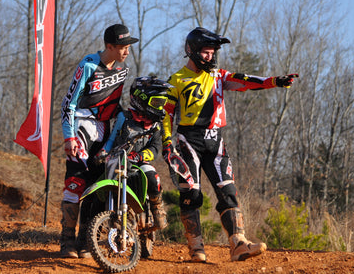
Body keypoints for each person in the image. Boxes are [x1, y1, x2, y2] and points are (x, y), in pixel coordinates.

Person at [162, 27, 298, 262]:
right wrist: (166, 142)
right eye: (206, 52)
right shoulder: (177, 80)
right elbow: (166, 114)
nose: (211, 57)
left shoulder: (219, 75)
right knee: (191, 194)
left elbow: (247, 81)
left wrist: (274, 81)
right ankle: (196, 249)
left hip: (216, 140)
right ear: (191, 51)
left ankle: (238, 244)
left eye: (213, 52)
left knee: (228, 192)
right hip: (188, 140)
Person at [60, 24, 138, 258]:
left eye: (128, 47)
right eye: (122, 47)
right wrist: (69, 136)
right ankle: (66, 241)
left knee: (97, 188)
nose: (126, 51)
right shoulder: (88, 65)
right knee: (75, 183)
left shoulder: (122, 72)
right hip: (81, 127)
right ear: (110, 46)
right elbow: (68, 103)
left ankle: (86, 241)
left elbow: (114, 107)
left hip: (104, 132)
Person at [99, 76, 172, 231]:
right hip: (118, 161)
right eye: (156, 103)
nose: (160, 107)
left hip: (139, 163)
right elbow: (112, 139)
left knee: (152, 175)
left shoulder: (156, 126)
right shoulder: (124, 118)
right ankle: (91, 228)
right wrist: (103, 152)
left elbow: (155, 149)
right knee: (96, 185)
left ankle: (157, 206)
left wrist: (140, 156)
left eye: (162, 104)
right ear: (142, 99)